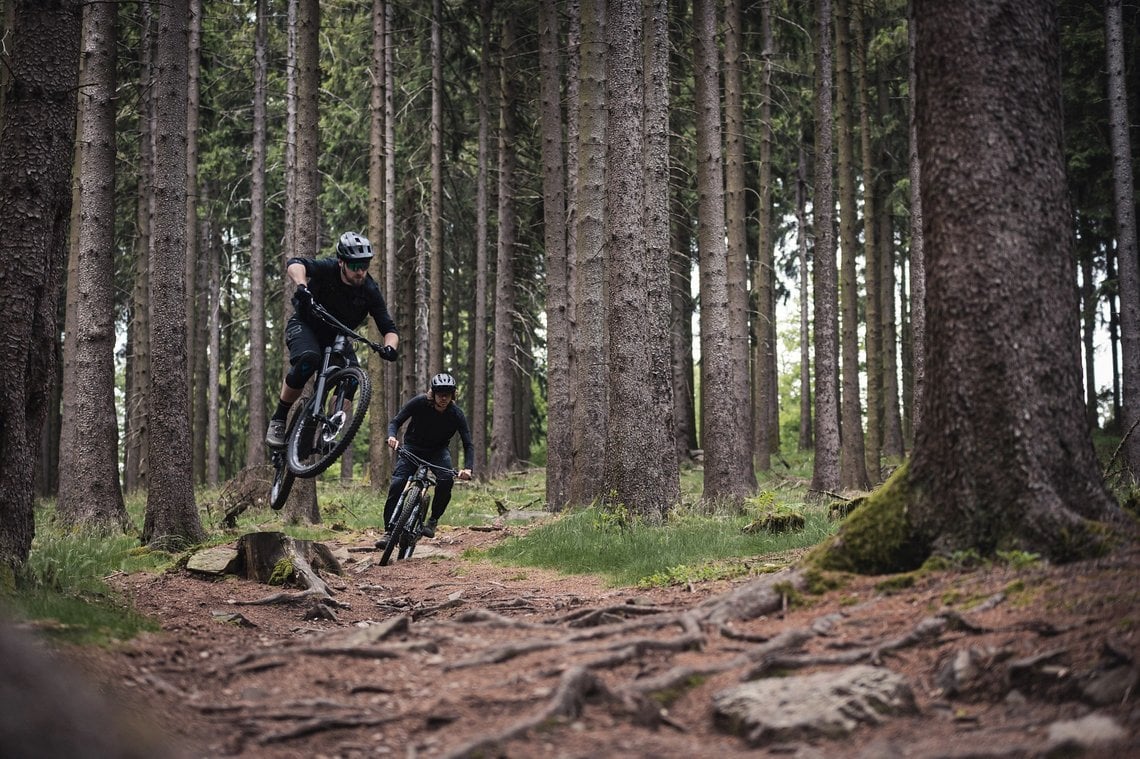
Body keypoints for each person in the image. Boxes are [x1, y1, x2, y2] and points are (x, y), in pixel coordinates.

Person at [265, 231, 399, 447]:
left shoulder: (370, 290)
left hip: (337, 336)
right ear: (341, 262)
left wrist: (390, 348)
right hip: (306, 325)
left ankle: (329, 428)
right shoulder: (328, 269)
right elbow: (295, 264)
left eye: (365, 266)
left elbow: (389, 328)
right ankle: (279, 418)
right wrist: (302, 286)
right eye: (355, 266)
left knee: (353, 378)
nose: (361, 272)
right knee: (309, 359)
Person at [377, 373, 474, 548]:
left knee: (445, 480)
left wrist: (468, 468)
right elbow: (396, 421)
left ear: (453, 395)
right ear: (433, 393)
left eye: (448, 394)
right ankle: (389, 532)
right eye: (440, 393)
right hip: (412, 447)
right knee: (397, 484)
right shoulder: (419, 403)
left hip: (438, 451)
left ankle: (433, 520)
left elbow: (468, 443)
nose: (443, 398)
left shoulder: (456, 414)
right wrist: (392, 437)